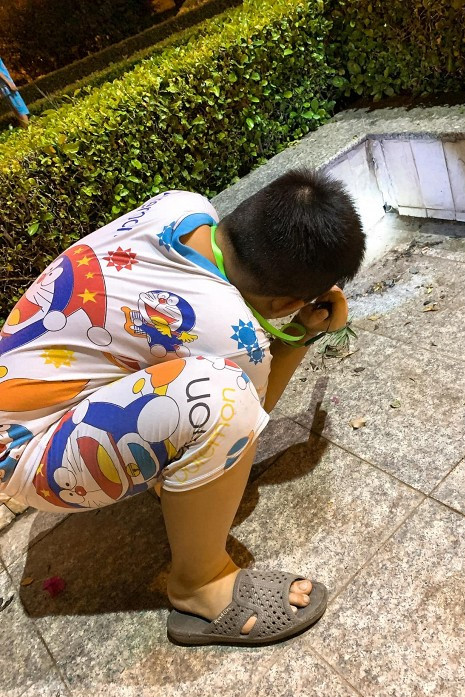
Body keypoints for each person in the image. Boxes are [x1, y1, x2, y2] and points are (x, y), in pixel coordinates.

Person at [0, 169, 365, 646]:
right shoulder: (237, 340)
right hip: (24, 457)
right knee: (225, 397)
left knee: (192, 379)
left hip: (21, 401)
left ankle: (165, 474)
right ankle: (201, 584)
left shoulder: (180, 205)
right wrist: (301, 333)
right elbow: (250, 413)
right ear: (284, 304)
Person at [0, 58, 29, 128]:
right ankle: (28, 129)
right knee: (21, 109)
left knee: (16, 110)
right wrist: (9, 83)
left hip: (4, 87)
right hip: (6, 86)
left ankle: (25, 129)